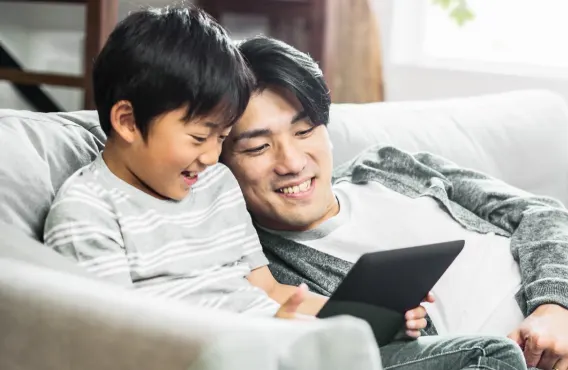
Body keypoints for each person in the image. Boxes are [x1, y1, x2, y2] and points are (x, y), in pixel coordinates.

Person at [42, 4, 429, 339]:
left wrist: (364, 318)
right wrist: (262, 335)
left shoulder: (216, 184)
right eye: (198, 137)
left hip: (284, 343)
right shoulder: (87, 214)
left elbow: (269, 291)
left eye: (223, 137)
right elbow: (116, 339)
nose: (213, 157)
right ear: (127, 121)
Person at [221, 36, 568, 370]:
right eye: (258, 147)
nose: (293, 163)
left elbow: (541, 213)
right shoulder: (268, 275)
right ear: (219, 162)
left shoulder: (389, 166)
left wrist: (554, 307)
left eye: (304, 131)